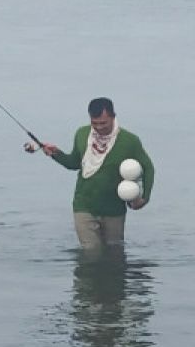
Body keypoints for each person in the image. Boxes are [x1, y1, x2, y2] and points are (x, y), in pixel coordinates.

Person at [39, 97, 156, 253]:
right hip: (84, 205)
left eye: (103, 123)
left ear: (113, 117)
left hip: (114, 209)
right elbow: (74, 163)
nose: (99, 127)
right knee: (91, 252)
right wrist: (56, 154)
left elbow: (148, 168)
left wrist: (144, 197)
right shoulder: (82, 134)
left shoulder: (129, 141)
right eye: (94, 123)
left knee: (114, 254)